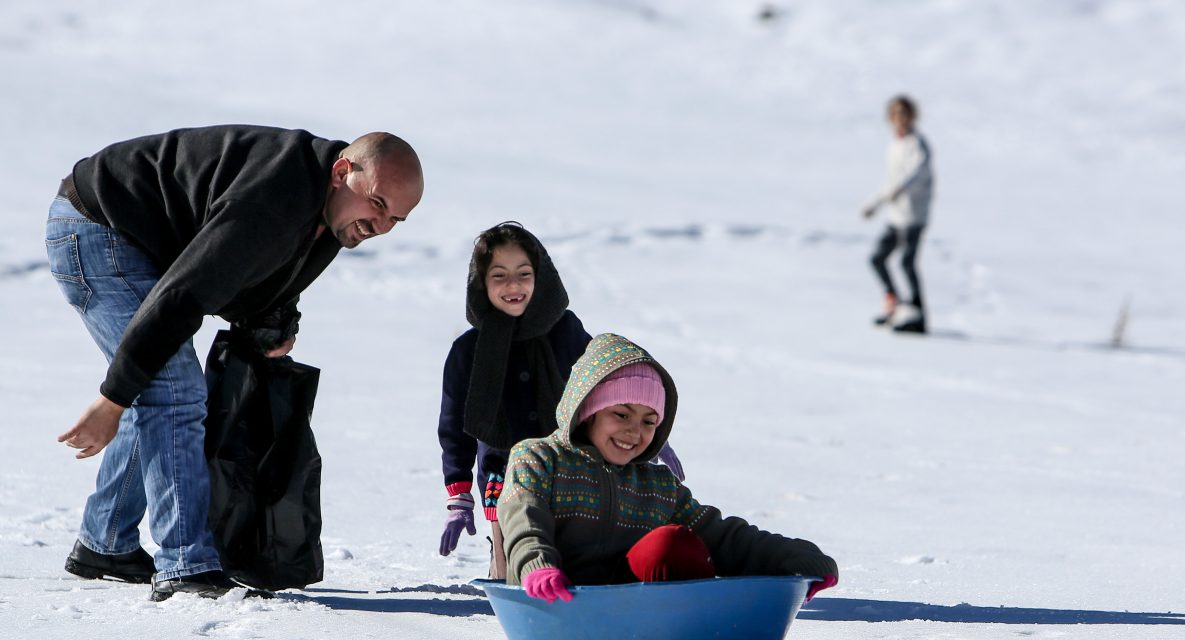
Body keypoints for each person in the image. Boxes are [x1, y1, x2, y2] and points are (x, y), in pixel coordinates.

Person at [46, 125, 424, 601]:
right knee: (173, 387)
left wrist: (273, 321)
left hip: (147, 243)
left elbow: (272, 273)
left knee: (170, 388)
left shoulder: (331, 210)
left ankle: (106, 541)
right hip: (96, 228)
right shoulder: (274, 196)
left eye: (397, 219)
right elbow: (186, 292)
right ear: (343, 172)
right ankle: (185, 563)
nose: (381, 226)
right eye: (378, 204)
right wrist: (112, 398)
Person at [498, 333, 838, 603]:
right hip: (551, 603)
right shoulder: (539, 458)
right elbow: (524, 516)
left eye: (650, 421)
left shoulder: (657, 485)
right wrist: (536, 566)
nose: (635, 431)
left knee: (673, 543)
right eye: (621, 414)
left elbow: (723, 537)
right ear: (588, 411)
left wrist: (799, 558)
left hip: (629, 614)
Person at [436, 223, 683, 580]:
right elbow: (454, 426)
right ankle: (507, 581)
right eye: (499, 276)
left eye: (524, 274)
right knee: (511, 565)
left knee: (571, 554)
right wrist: (458, 495)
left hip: (567, 463)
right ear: (481, 283)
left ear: (541, 277)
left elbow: (607, 382)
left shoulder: (564, 329)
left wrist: (651, 431)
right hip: (503, 473)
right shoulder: (467, 352)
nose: (513, 286)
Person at [862, 94, 934, 334]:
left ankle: (917, 313)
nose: (900, 119)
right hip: (896, 215)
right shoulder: (895, 145)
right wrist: (875, 203)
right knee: (877, 258)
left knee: (906, 262)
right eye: (896, 114)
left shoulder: (917, 144)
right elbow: (891, 181)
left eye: (905, 113)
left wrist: (902, 188)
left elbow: (919, 172)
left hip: (914, 216)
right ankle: (895, 304)